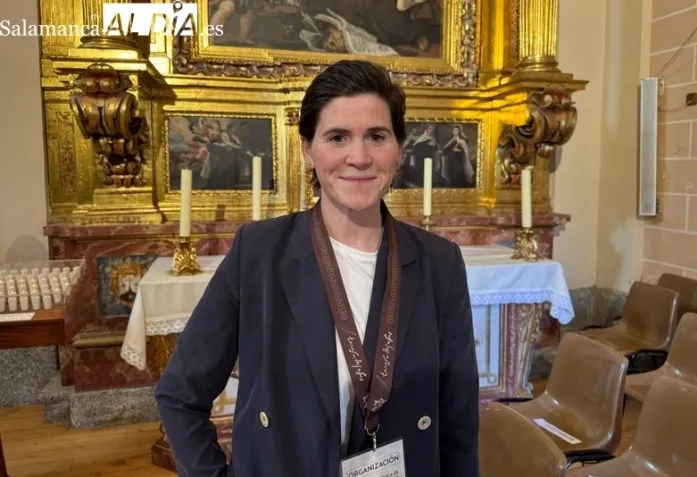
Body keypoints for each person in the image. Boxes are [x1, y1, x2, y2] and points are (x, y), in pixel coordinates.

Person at [155, 59, 480, 477]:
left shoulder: (440, 261)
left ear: (399, 149)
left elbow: (458, 420)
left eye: (376, 136)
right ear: (308, 150)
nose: (359, 157)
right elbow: (180, 395)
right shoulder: (259, 251)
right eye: (337, 137)